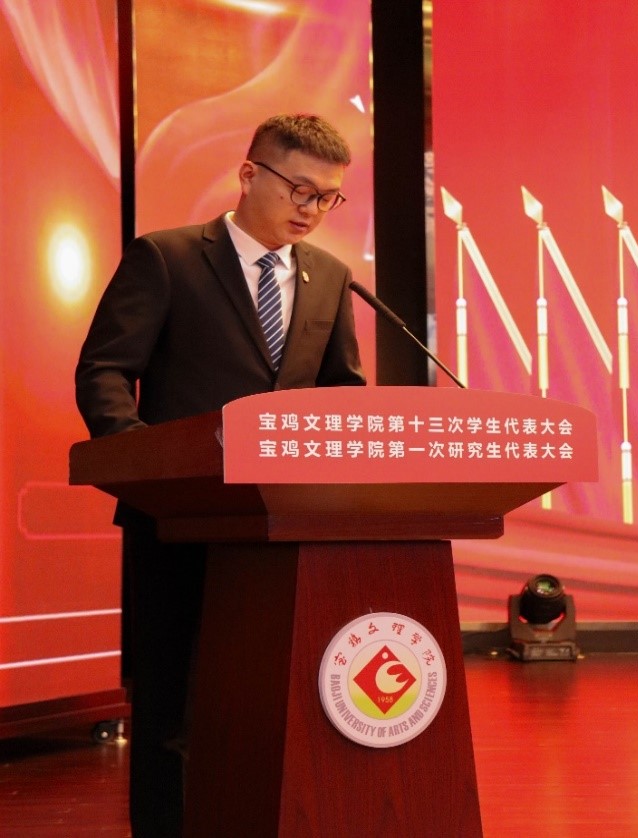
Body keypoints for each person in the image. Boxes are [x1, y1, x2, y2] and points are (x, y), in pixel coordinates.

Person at [75, 113, 366, 838]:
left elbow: (340, 391)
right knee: (172, 706)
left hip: (282, 526)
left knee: (265, 703)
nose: (311, 208)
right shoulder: (167, 258)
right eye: (299, 189)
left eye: (327, 197)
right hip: (179, 520)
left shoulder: (330, 278)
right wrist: (144, 463)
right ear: (248, 175)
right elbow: (106, 369)